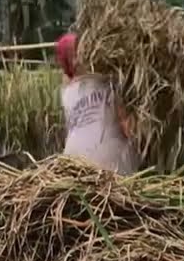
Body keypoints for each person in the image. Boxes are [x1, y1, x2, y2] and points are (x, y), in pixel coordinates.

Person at [55, 33, 140, 175]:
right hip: (110, 173)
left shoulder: (66, 94)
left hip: (71, 168)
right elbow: (128, 129)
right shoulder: (109, 82)